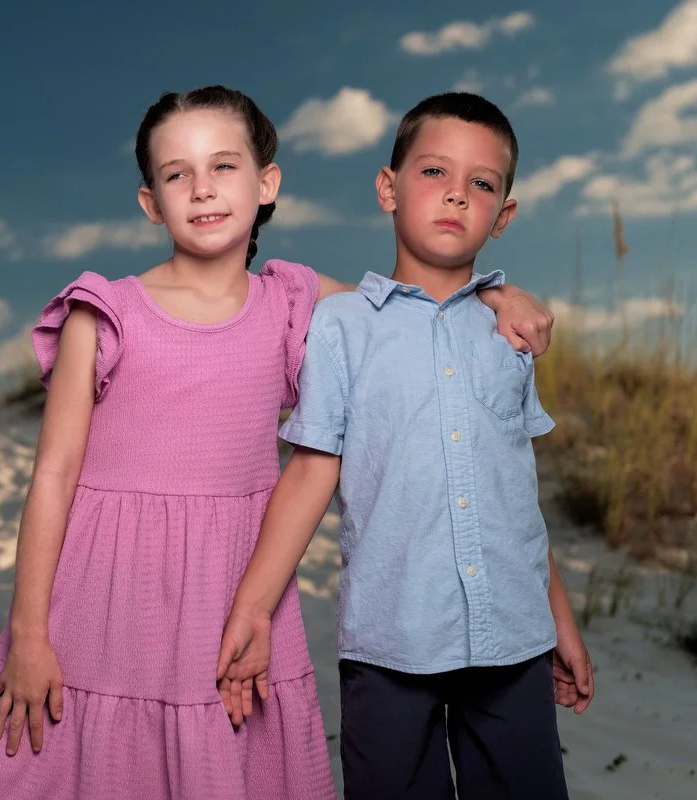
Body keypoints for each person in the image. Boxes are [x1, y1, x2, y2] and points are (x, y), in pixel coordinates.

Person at [0, 85, 555, 800]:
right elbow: (54, 477)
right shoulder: (104, 314)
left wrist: (498, 297)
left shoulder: (292, 299)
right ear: (149, 202)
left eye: (224, 167)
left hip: (231, 587)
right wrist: (29, 635)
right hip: (103, 600)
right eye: (176, 174)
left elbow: (413, 313)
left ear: (266, 184)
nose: (202, 190)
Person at [216, 91, 594, 800]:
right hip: (389, 644)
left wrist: (560, 624)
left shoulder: (509, 337)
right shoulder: (342, 328)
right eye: (433, 173)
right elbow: (309, 475)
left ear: (502, 214)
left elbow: (515, 499)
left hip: (513, 643)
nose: (456, 194)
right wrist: (253, 606)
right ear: (389, 189)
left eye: (481, 184)